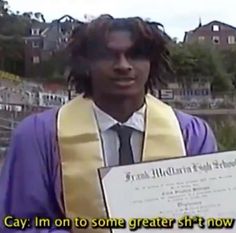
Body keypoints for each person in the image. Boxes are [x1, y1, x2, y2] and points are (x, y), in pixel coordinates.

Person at [0, 15, 217, 233]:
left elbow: (208, 219)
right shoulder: (38, 135)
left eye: (135, 55)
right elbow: (19, 225)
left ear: (151, 63)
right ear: (86, 64)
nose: (123, 66)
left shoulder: (191, 134)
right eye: (108, 56)